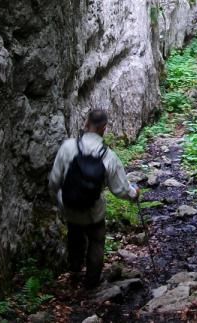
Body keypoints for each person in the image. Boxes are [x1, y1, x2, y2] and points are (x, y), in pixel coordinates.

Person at [48, 108, 139, 288]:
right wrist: (134, 194)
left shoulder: (68, 147)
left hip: (71, 208)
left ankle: (74, 270)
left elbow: (53, 181)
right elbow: (120, 189)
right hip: (93, 211)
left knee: (75, 235)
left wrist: (60, 202)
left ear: (85, 123)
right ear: (104, 128)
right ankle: (92, 282)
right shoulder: (108, 156)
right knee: (97, 240)